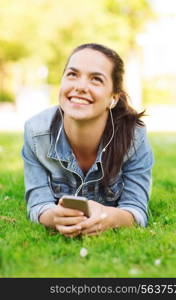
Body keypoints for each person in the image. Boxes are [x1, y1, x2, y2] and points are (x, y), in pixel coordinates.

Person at [22, 43, 154, 238]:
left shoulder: (133, 137)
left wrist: (110, 216)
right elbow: (38, 203)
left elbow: (136, 209)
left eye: (96, 79)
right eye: (72, 74)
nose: (80, 87)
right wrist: (54, 218)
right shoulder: (36, 133)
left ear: (113, 98)